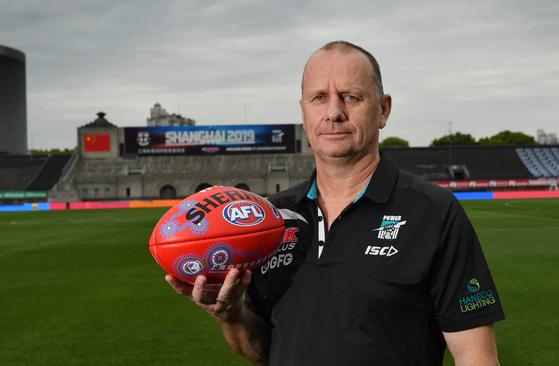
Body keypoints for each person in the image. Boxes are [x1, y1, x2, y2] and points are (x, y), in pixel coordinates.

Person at [166, 40, 505, 366]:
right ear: (303, 112)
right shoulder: (268, 218)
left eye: (351, 97)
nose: (333, 112)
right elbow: (268, 352)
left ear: (383, 109)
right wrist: (232, 316)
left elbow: (477, 357)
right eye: (318, 98)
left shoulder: (433, 211)